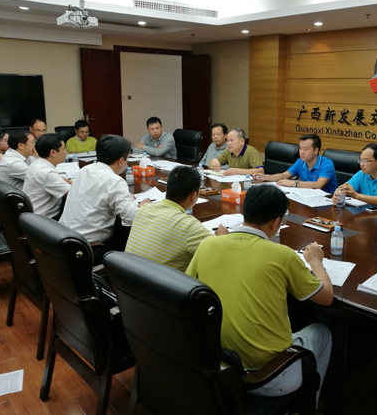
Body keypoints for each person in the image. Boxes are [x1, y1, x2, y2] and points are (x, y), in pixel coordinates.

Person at [187, 185, 333, 403]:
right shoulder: (283, 255)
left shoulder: (208, 245)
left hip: (217, 366)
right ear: (275, 222)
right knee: (323, 332)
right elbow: (326, 297)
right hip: (266, 378)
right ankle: (309, 404)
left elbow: (188, 290)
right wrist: (315, 262)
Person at [59, 135, 151, 262]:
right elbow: (132, 217)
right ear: (120, 161)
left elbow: (93, 192)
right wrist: (144, 205)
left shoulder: (84, 170)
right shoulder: (114, 180)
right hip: (89, 248)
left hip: (63, 238)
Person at [126, 166, 227, 272]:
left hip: (127, 278)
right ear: (193, 196)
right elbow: (220, 254)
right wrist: (221, 237)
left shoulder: (143, 209)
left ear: (167, 188)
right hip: (160, 282)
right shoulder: (189, 226)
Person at [253, 134, 338, 194]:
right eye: (300, 148)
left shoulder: (327, 163)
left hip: (327, 199)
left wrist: (294, 183)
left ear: (316, 150)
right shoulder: (300, 161)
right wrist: (265, 177)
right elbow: (284, 175)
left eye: (306, 149)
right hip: (308, 196)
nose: (302, 152)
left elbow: (318, 185)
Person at [332, 143, 377, 209]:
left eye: (365, 161)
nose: (361, 164)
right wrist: (338, 192)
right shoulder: (362, 174)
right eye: (360, 160)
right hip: (369, 214)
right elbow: (345, 187)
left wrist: (357, 196)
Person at [22, 134, 70, 220]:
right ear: (53, 152)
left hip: (32, 214)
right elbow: (73, 193)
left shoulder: (36, 163)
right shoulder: (47, 173)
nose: (65, 152)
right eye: (63, 149)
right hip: (44, 219)